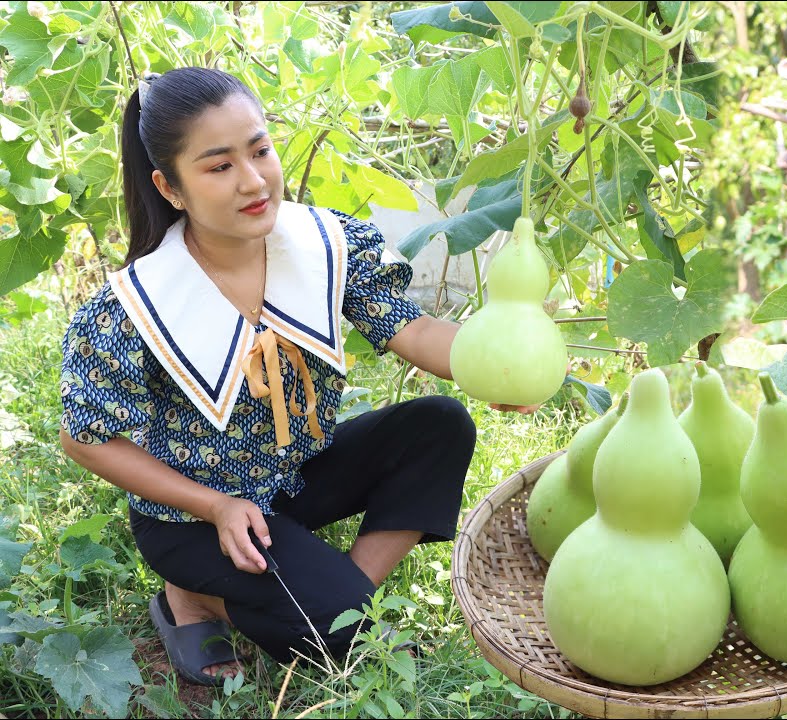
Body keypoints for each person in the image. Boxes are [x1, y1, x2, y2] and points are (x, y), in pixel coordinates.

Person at [57, 67, 538, 687]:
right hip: (194, 518)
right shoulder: (132, 307)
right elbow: (85, 440)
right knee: (346, 634)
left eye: (259, 149)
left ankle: (338, 601)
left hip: (295, 474)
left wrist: (494, 366)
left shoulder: (324, 244)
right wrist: (217, 505)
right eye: (218, 166)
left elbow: (411, 330)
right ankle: (197, 597)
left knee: (439, 424)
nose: (254, 180)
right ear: (170, 187)